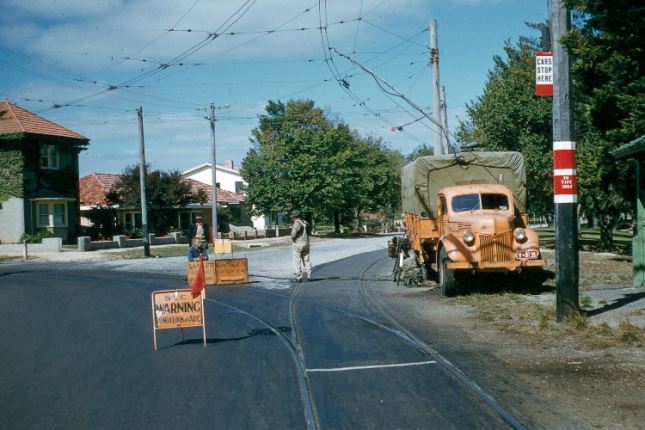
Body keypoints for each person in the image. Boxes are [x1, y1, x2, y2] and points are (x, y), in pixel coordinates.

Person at [290, 210, 312, 282]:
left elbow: (293, 234)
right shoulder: (305, 222)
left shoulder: (296, 223)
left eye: (292, 217)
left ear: (295, 216)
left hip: (298, 244)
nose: (292, 218)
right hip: (306, 243)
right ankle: (309, 275)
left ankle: (299, 276)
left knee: (297, 260)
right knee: (306, 259)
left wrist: (293, 239)